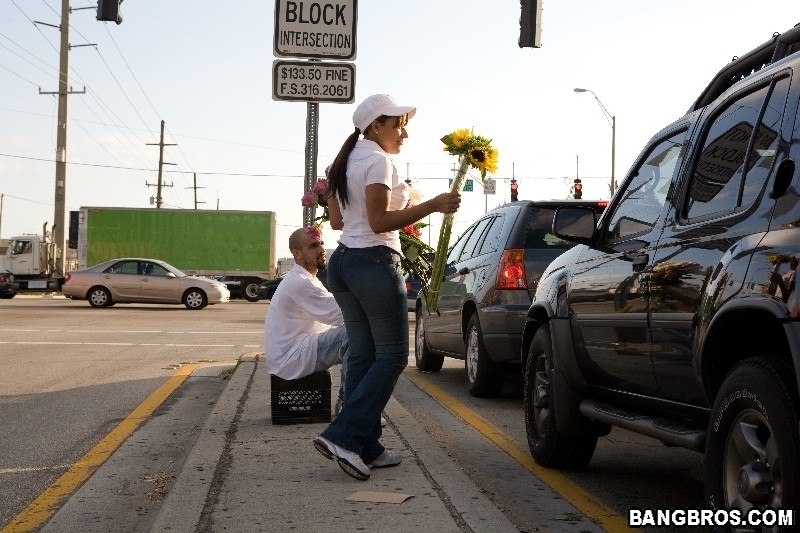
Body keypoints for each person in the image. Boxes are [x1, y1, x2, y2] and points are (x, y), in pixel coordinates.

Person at [312, 93, 461, 480]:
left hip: (343, 262)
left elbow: (338, 223)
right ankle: (344, 436)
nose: (404, 133)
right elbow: (378, 222)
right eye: (398, 124)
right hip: (373, 263)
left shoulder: (345, 161)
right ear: (375, 126)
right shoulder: (378, 160)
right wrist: (433, 205)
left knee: (363, 352)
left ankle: (367, 444)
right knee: (393, 356)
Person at [263, 227, 348, 408]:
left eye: (322, 244)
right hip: (292, 358)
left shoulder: (305, 278)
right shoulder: (300, 283)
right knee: (356, 334)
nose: (321, 250)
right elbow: (343, 315)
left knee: (356, 334)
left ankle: (352, 402)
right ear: (298, 254)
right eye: (313, 246)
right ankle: (350, 406)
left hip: (292, 353)